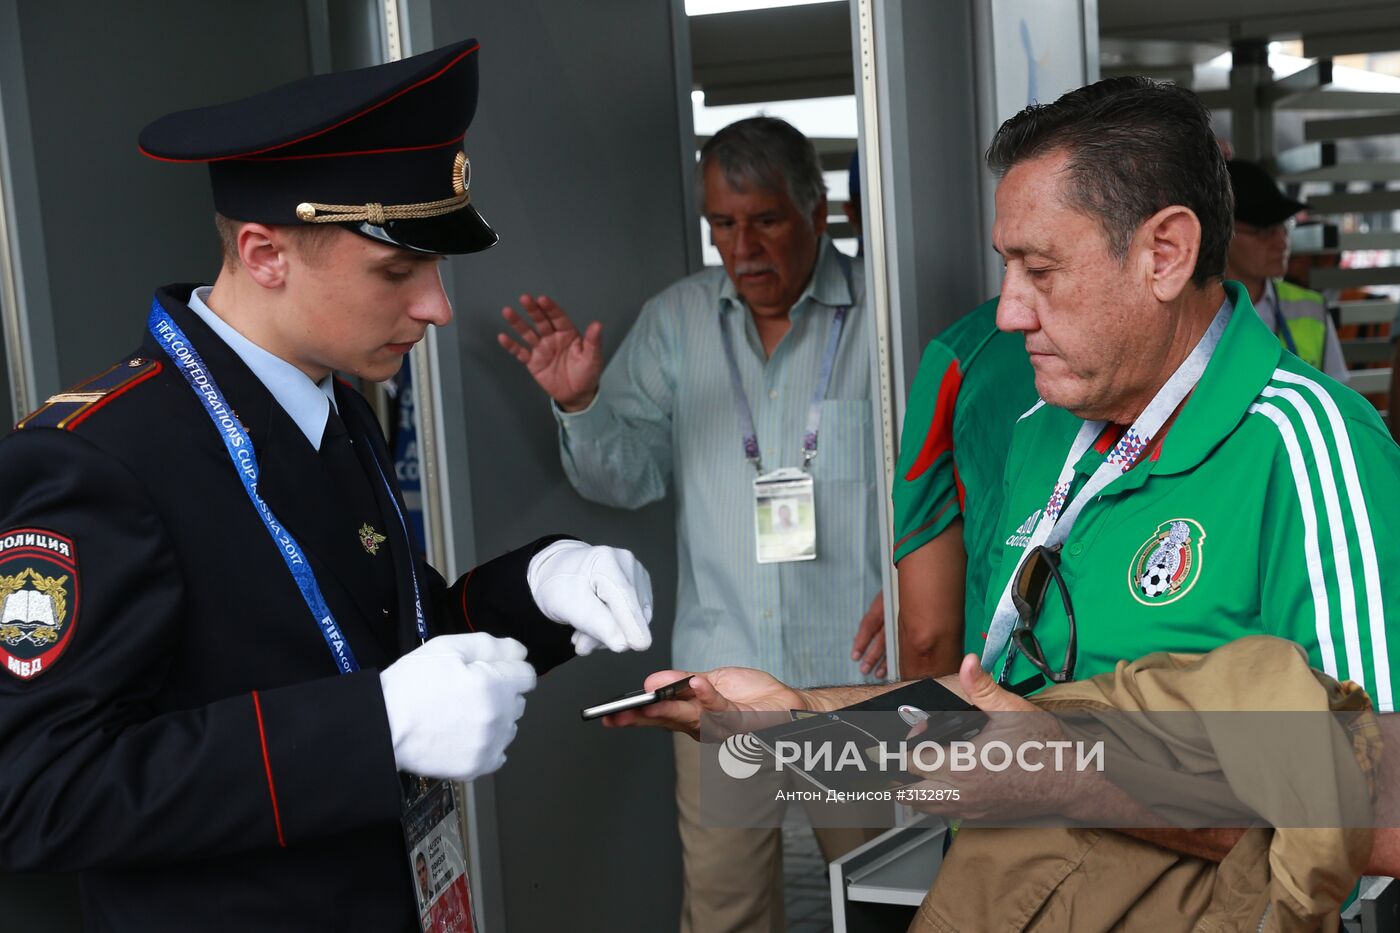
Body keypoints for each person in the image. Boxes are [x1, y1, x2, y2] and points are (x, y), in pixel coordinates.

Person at [611, 74, 1400, 908]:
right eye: (1006, 267)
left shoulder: (1305, 448)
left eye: (1041, 269)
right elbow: (1001, 714)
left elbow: (1376, 813)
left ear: (1164, 253)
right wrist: (798, 719)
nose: (1009, 312)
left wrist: (1054, 770)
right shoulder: (1043, 429)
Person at [0, 39, 655, 932]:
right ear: (266, 254)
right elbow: (35, 788)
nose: (437, 306)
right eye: (397, 270)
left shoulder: (331, 401)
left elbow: (370, 638)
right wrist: (369, 730)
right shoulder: (100, 456)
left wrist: (540, 587)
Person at [498, 116, 883, 932]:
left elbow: (942, 483)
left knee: (882, 900)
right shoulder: (678, 320)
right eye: (722, 223)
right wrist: (579, 402)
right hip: (720, 682)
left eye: (766, 219)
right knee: (726, 911)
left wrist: (916, 595)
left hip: (855, 684)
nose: (742, 247)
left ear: (818, 212)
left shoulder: (884, 317)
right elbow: (625, 477)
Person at [891, 297, 1036, 677]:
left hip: (1001, 693)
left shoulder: (964, 351)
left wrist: (928, 733)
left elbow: (927, 636)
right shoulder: (1197, 332)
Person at [1226, 159, 1349, 382]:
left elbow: (1337, 401)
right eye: (1264, 230)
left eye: (1284, 226)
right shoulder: (1190, 312)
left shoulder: (1313, 308)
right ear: (1223, 233)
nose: (1281, 242)